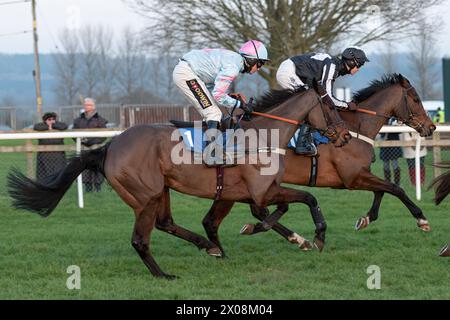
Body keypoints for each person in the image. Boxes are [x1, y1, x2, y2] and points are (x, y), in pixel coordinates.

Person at [173, 40, 270, 164]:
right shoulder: (233, 67)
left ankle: (205, 149)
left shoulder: (234, 61)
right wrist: (241, 105)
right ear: (250, 60)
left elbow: (214, 90)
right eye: (260, 63)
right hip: (186, 73)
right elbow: (218, 95)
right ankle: (210, 154)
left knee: (213, 112)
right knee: (213, 114)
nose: (259, 68)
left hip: (190, 72)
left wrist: (231, 97)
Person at [276, 46, 369, 156]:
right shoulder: (332, 66)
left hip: (292, 71)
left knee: (314, 101)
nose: (359, 69)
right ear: (352, 62)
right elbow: (328, 98)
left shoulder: (334, 66)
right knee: (312, 102)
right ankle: (302, 142)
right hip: (289, 72)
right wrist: (346, 105)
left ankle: (304, 138)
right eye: (359, 65)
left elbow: (324, 94)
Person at [73, 98, 108, 192]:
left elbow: (104, 135)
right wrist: (82, 141)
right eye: (85, 104)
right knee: (85, 167)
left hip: (96, 148)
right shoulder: (78, 120)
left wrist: (92, 141)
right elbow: (73, 133)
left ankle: (98, 187)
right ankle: (87, 187)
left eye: (88, 105)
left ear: (93, 106)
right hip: (84, 147)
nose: (86, 106)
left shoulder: (100, 120)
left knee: (97, 166)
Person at [33, 112, 68, 181]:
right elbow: (36, 127)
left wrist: (52, 125)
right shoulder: (41, 125)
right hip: (44, 155)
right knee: (44, 175)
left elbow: (64, 126)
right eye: (49, 119)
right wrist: (48, 126)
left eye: (53, 119)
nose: (51, 121)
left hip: (58, 155)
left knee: (58, 174)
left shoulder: (59, 125)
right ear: (45, 120)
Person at [379, 118, 402, 186]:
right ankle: (387, 182)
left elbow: (400, 131)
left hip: (394, 144)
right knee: (386, 165)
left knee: (395, 165)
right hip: (384, 145)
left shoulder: (395, 119)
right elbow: (379, 131)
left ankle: (397, 183)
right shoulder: (383, 119)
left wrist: (394, 126)